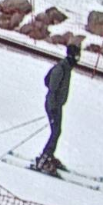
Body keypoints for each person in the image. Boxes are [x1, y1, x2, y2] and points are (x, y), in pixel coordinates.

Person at [33, 43, 80, 176]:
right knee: (56, 132)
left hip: (57, 105)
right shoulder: (61, 69)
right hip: (53, 105)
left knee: (57, 131)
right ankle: (44, 158)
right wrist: (53, 108)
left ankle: (49, 155)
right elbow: (52, 89)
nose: (78, 60)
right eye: (76, 56)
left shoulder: (67, 68)